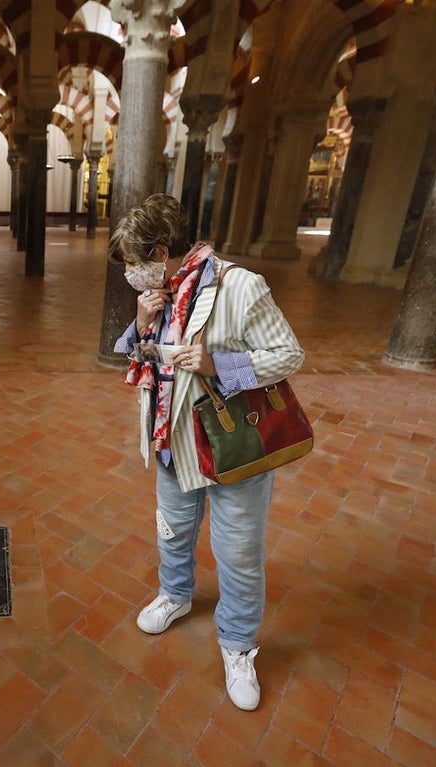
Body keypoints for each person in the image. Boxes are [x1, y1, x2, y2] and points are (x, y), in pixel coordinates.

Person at [110, 194, 304, 711]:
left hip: (231, 445)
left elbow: (289, 354)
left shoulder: (240, 286)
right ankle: (175, 594)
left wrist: (220, 364)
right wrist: (142, 323)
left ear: (161, 251)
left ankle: (238, 644)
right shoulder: (159, 292)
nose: (131, 273)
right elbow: (138, 356)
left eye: (134, 262)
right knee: (172, 529)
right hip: (172, 441)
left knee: (238, 551)